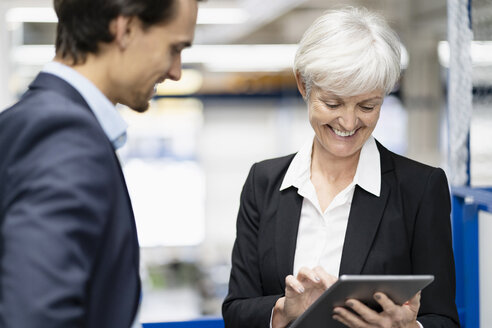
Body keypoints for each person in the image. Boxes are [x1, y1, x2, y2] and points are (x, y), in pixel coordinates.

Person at [222, 7, 460, 328]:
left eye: (367, 106)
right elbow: (236, 310)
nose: (348, 122)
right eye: (332, 103)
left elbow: (443, 318)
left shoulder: (420, 188)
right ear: (303, 86)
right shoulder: (263, 183)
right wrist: (283, 310)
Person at [0, 0, 199, 327]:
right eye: (174, 48)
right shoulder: (65, 136)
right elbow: (36, 315)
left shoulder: (21, 122)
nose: (176, 71)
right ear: (126, 29)